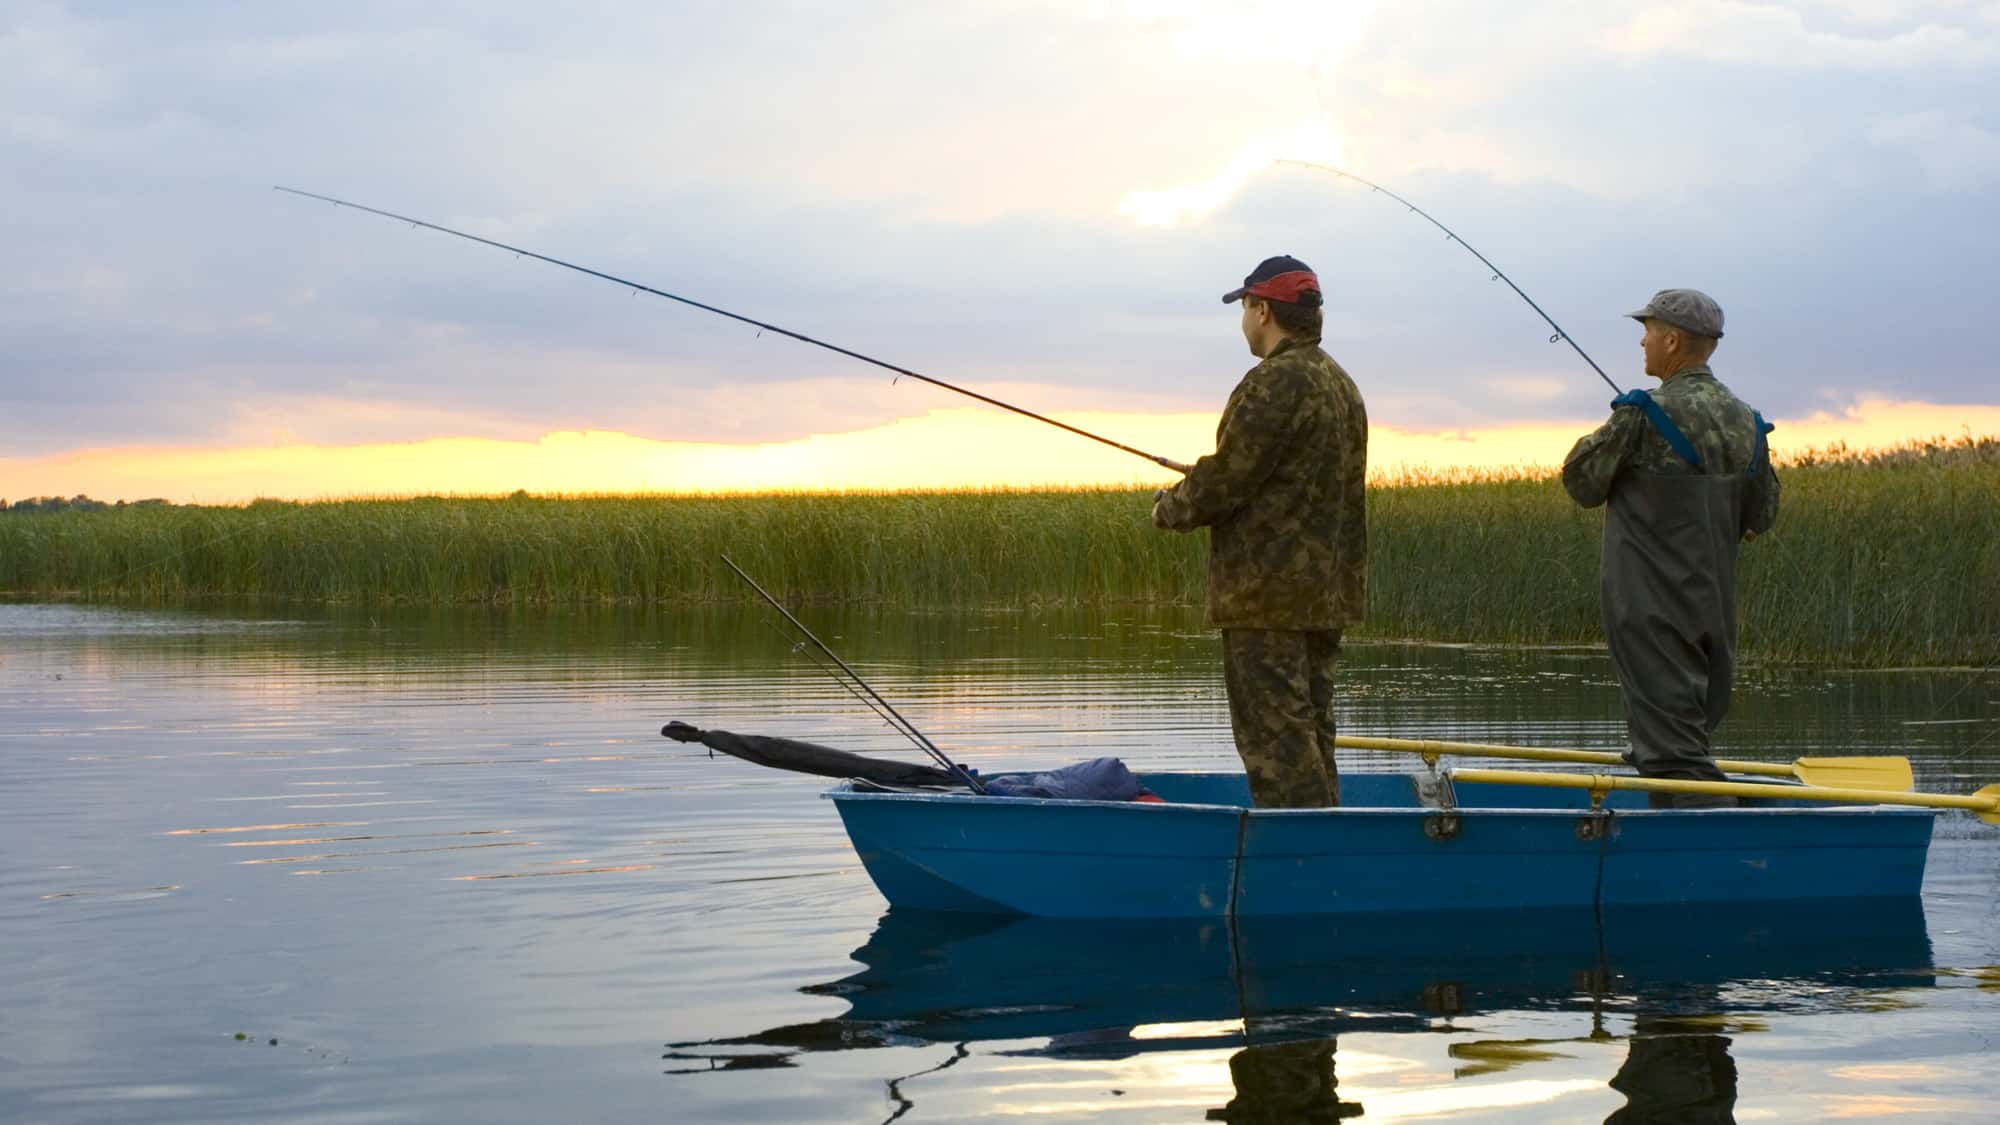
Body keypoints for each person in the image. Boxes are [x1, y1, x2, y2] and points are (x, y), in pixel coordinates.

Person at [1153, 255, 1368, 809]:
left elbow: (1225, 481)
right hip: (1326, 594)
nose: (1244, 321)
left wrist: (1170, 506)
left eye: (1245, 308)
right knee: (1313, 730)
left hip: (1265, 595)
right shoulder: (1341, 385)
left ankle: (1299, 860)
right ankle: (1328, 845)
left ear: (1263, 308)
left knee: (1276, 739)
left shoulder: (1272, 383)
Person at [1562, 289, 1779, 808]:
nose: (1642, 340)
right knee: (1682, 742)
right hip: (1715, 613)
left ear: (1674, 339)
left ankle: (1714, 860)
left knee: (1671, 759)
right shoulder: (1748, 423)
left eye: (1649, 330)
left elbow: (1581, 483)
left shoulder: (1641, 414)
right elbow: (1761, 515)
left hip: (1650, 610)